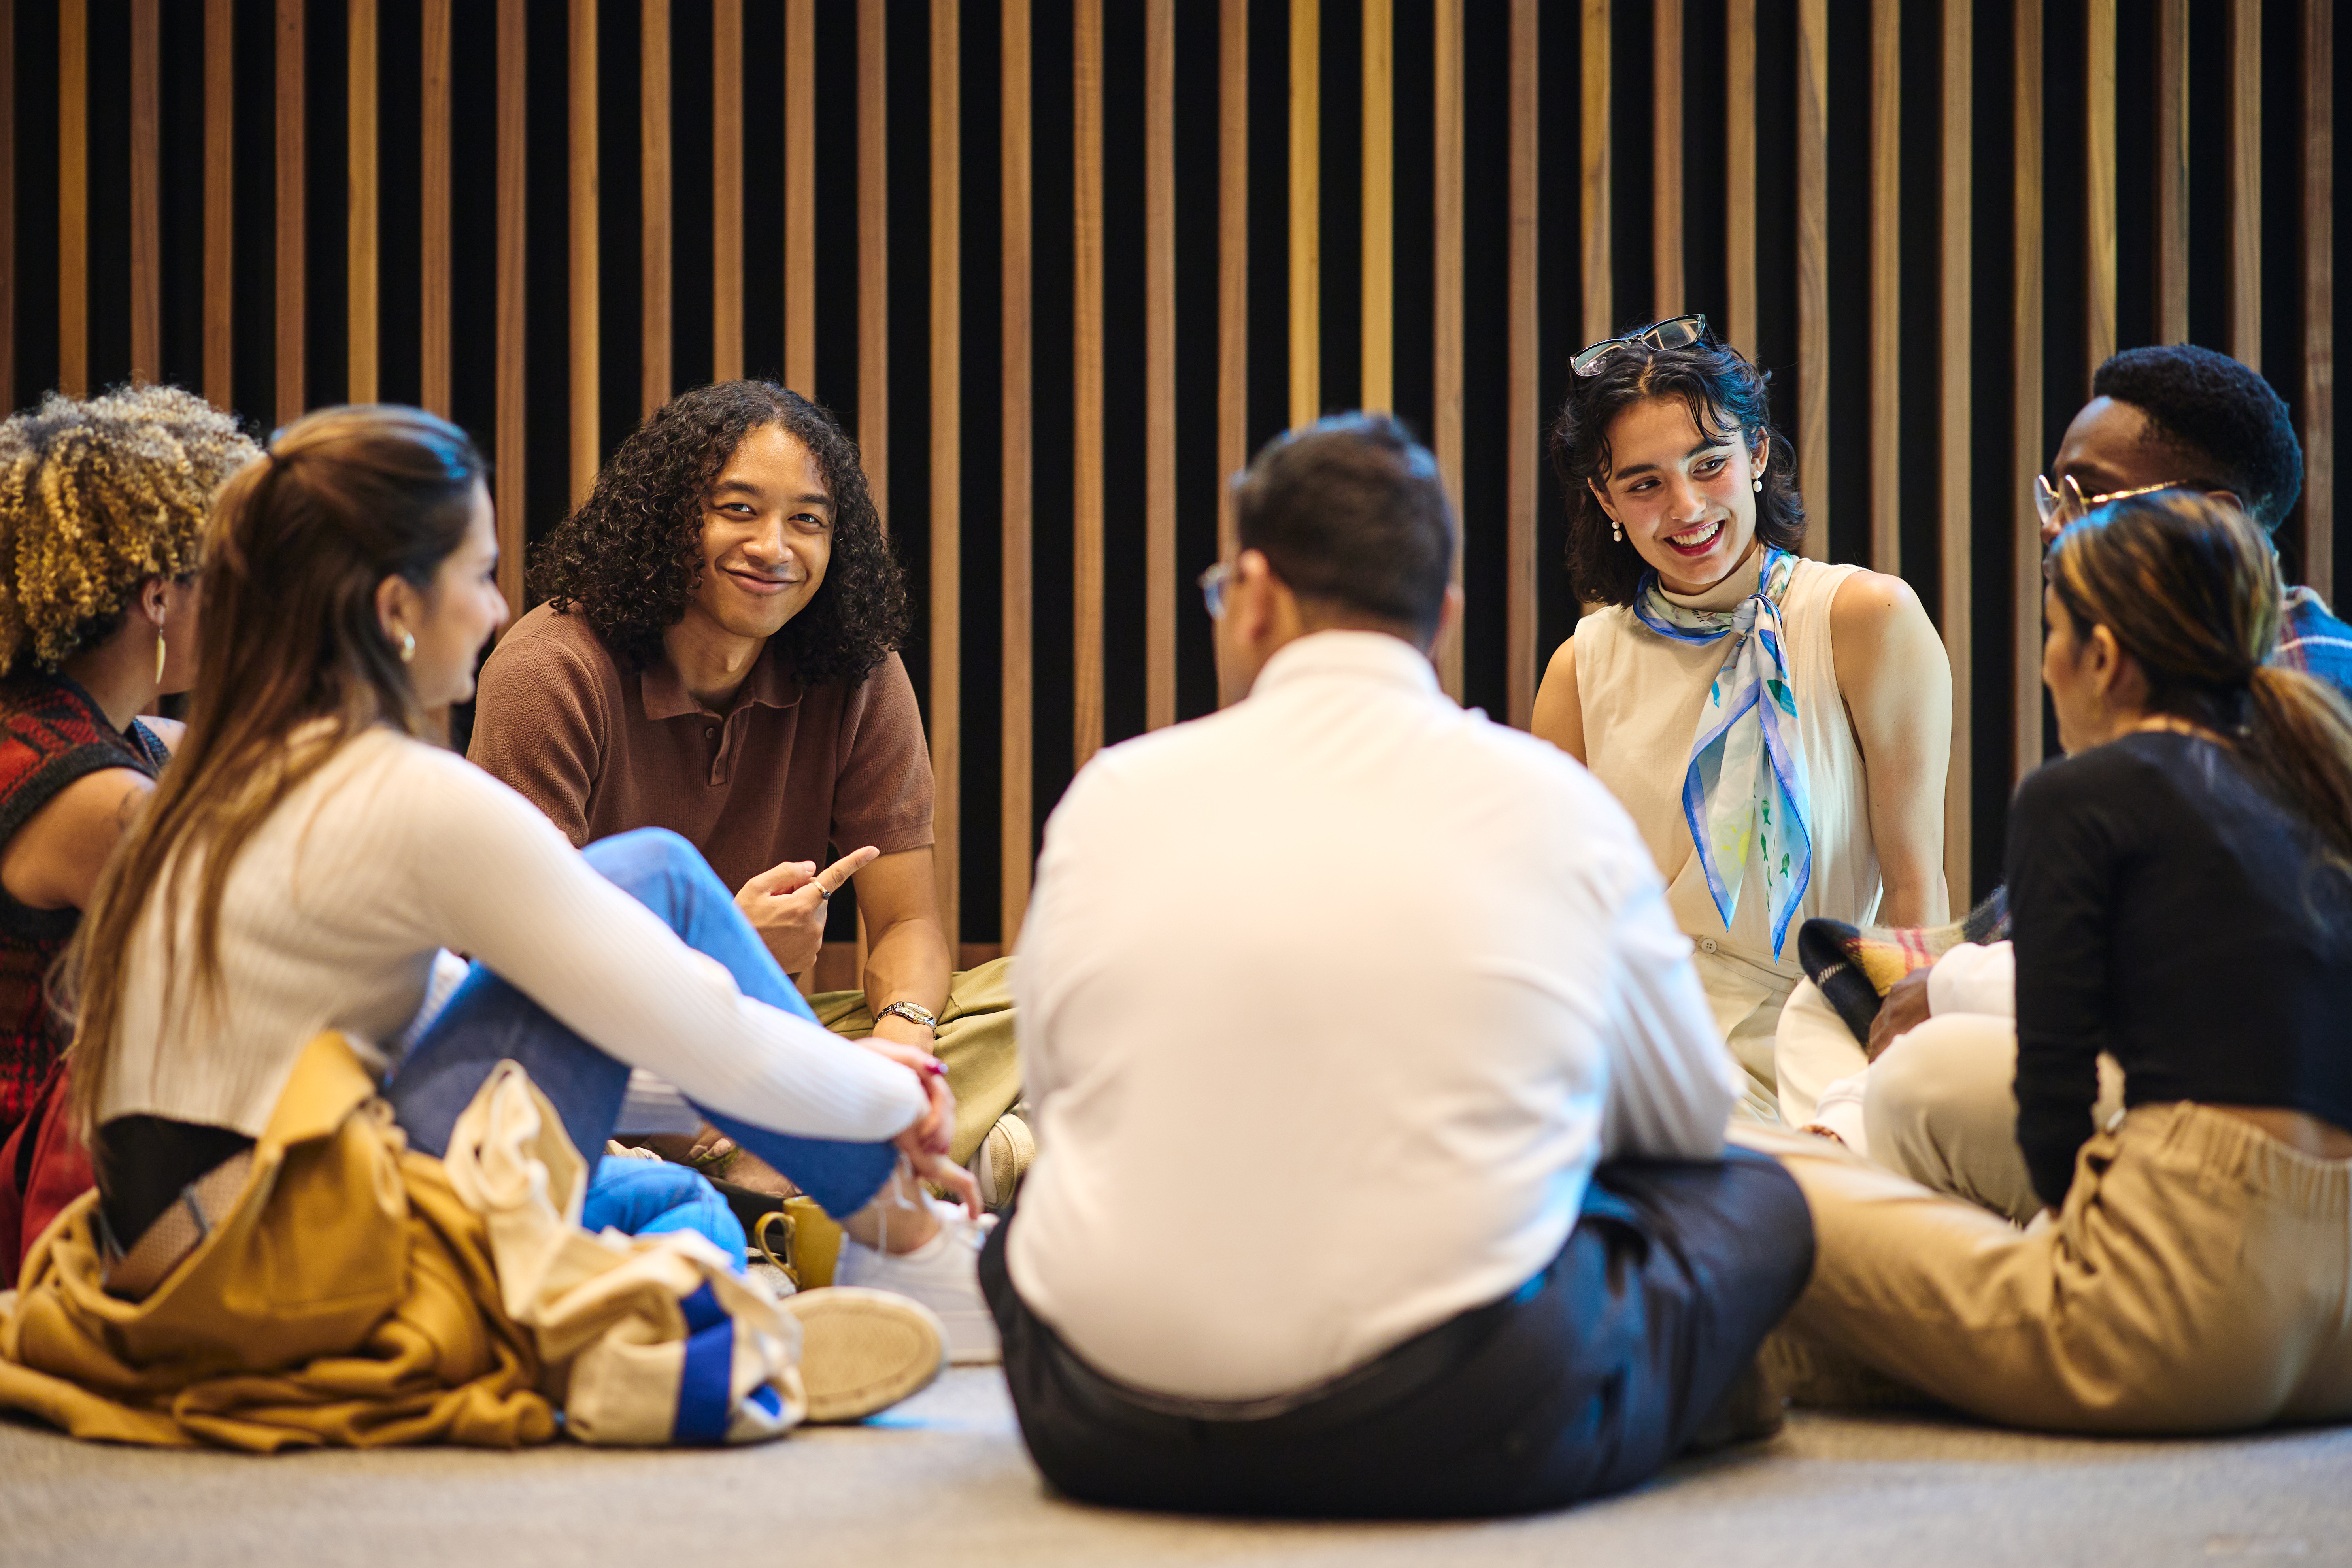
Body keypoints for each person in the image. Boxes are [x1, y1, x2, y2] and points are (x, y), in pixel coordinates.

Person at [47, 406, 971, 1426]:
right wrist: (893, 1097)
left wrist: (805, 1088)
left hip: (185, 1255)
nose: (496, 611)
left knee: (677, 1205)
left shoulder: (240, 761)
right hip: (277, 1263)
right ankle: (898, 1250)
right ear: (398, 606)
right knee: (658, 878)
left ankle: (681, 1324)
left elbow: (478, 1012)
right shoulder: (402, 794)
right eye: (478, 576)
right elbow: (680, 1015)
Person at [983, 414, 1812, 1518]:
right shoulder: (1550, 804)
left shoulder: (1108, 797)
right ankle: (1683, 1389)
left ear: (1254, 591)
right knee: (1758, 1204)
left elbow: (1062, 1100)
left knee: (1038, 1208)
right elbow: (1682, 1126)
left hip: (1099, 1423)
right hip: (1459, 1426)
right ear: (1444, 617)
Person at [1737, 489, 2352, 1433]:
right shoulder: (2316, 774)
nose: (2044, 665)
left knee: (1762, 1198)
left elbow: (2053, 1117)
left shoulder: (2082, 796)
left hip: (2182, 1318)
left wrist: (2060, 1257)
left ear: (2100, 657)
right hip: (2335, 1329)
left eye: (2052, 633)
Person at [468, 383, 1025, 1261]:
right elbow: (525, 972)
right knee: (546, 1100)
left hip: (783, 1051)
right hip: (621, 1060)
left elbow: (910, 925)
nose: (774, 548)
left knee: (1031, 997)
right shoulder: (549, 672)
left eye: (808, 520)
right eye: (738, 511)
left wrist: (898, 1045)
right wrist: (726, 949)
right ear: (667, 520)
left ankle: (790, 1173)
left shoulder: (857, 674)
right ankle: (892, 1172)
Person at [1775, 343, 2351, 1150]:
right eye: (2054, 493)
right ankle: (1845, 1162)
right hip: (2074, 1010)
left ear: (2213, 516)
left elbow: (2174, 955)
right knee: (1823, 998)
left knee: (1921, 1067)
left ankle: (1842, 1175)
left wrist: (1947, 989)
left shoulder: (2311, 677)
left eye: (2088, 495)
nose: (2053, 525)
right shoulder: (2145, 676)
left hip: (2197, 1075)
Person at [1531, 317, 1952, 1122]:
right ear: (1603, 498)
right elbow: (1557, 920)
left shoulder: (1866, 620)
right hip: (1639, 1049)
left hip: (1820, 1039)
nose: (1685, 508)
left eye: (1708, 464)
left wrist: (1902, 1082)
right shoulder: (1578, 670)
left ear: (1756, 453)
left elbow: (1913, 883)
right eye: (1643, 483)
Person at [0, 388, 257, 1278]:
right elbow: (270, 956)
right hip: (45, 1205)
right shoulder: (90, 797)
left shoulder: (103, 736)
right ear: (159, 597)